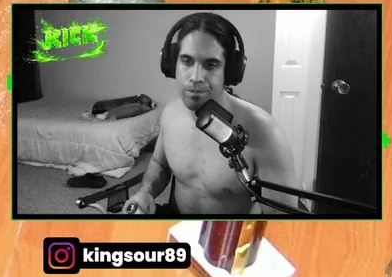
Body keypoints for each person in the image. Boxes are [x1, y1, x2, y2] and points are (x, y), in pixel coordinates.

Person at [123, 12, 300, 215]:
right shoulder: (170, 113)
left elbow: (282, 220)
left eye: (211, 64)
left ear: (229, 72)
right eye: (187, 61)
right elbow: (158, 164)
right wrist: (146, 192)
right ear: (172, 64)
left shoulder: (265, 132)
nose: (195, 77)